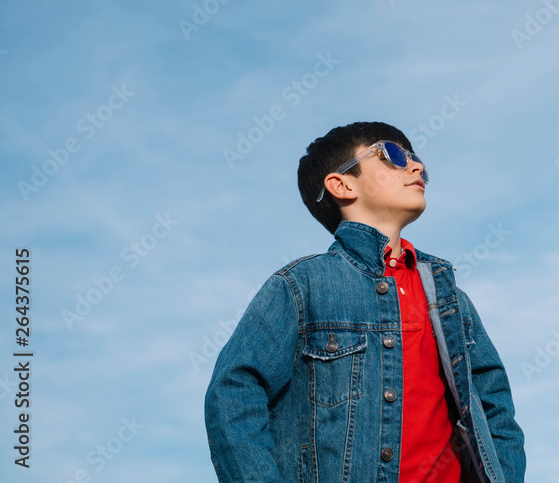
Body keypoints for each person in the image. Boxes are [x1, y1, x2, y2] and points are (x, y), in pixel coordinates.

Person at [204, 121, 526, 483]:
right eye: (392, 155)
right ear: (342, 185)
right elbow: (233, 392)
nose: (416, 167)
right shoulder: (301, 286)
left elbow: (495, 410)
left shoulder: (450, 300)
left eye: (416, 159)